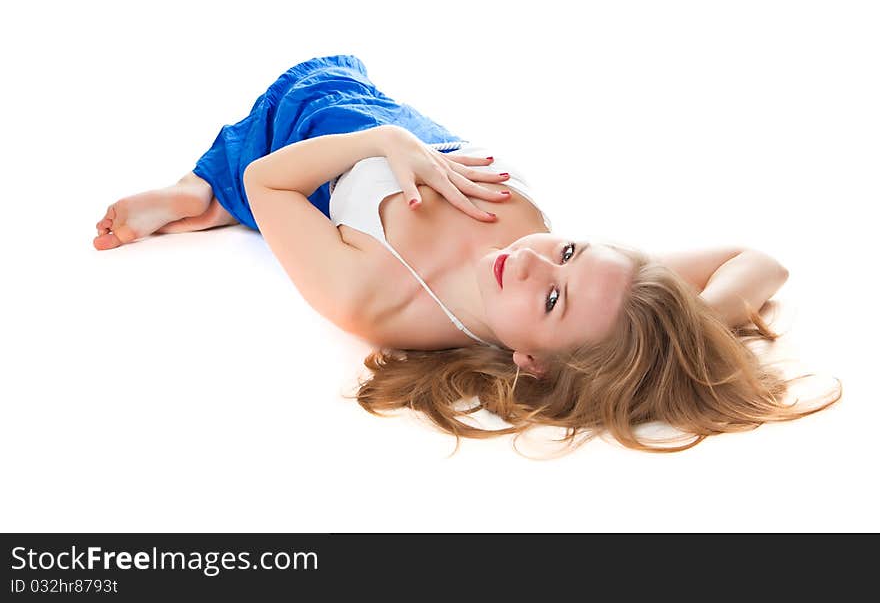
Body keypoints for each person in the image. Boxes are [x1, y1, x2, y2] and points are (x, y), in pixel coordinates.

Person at [93, 54, 841, 455]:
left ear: (532, 363)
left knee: (271, 127)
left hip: (314, 136)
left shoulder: (375, 300)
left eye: (551, 299)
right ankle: (204, 192)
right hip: (418, 127)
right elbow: (759, 260)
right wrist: (680, 334)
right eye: (571, 250)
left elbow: (271, 184)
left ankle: (196, 193)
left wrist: (380, 144)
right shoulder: (614, 308)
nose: (535, 260)